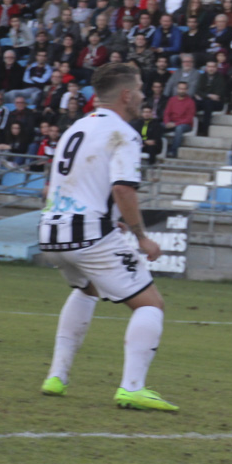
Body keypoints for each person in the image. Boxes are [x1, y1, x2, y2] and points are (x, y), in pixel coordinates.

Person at [39, 62, 177, 411]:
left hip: (51, 230)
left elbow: (62, 183)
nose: (144, 97)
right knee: (150, 304)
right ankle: (132, 387)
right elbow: (123, 190)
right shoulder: (125, 133)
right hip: (87, 233)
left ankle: (57, 375)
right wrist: (141, 237)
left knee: (87, 288)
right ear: (126, 95)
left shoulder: (75, 128)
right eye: (141, 90)